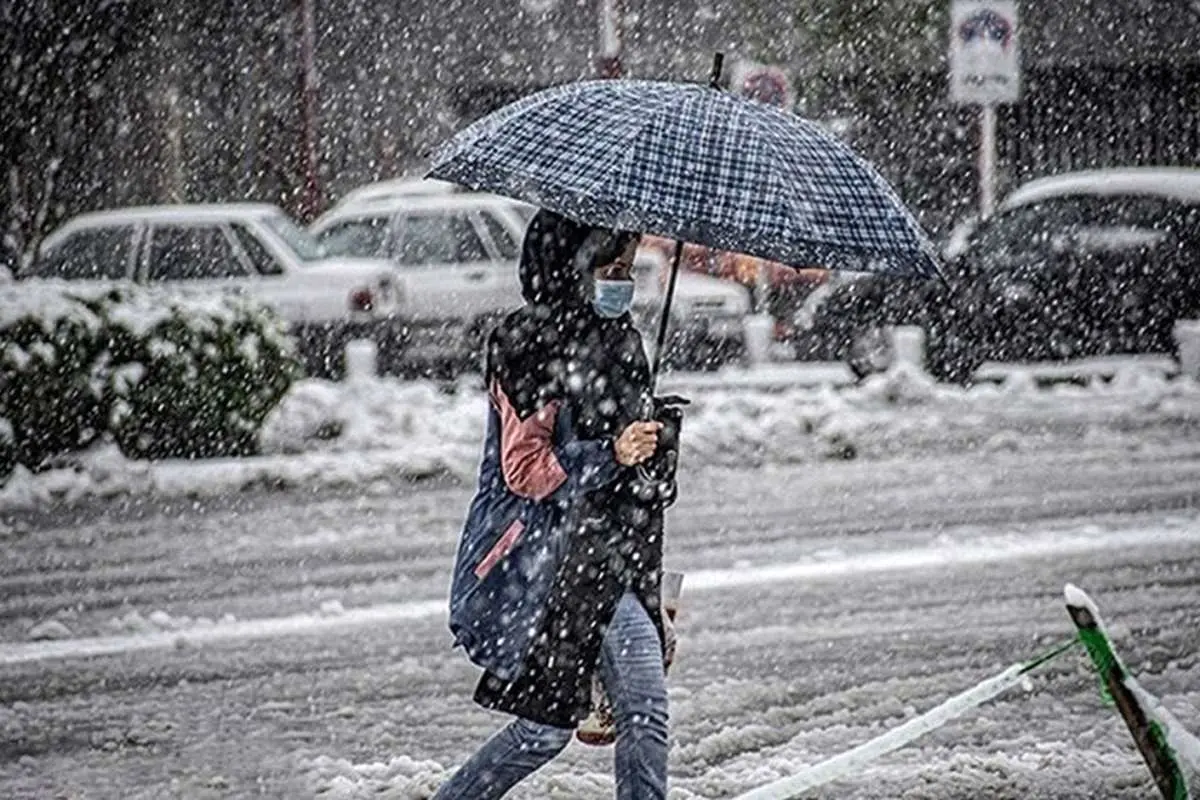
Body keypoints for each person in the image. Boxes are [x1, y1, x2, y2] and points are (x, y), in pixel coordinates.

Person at [435, 209, 683, 799]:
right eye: (609, 266)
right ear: (569, 266)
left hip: (619, 551)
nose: (621, 280)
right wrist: (610, 453)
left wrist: (657, 443)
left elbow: (637, 463)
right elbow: (524, 470)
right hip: (554, 561)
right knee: (548, 731)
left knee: (639, 713)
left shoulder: (622, 341)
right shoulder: (526, 345)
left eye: (628, 266)